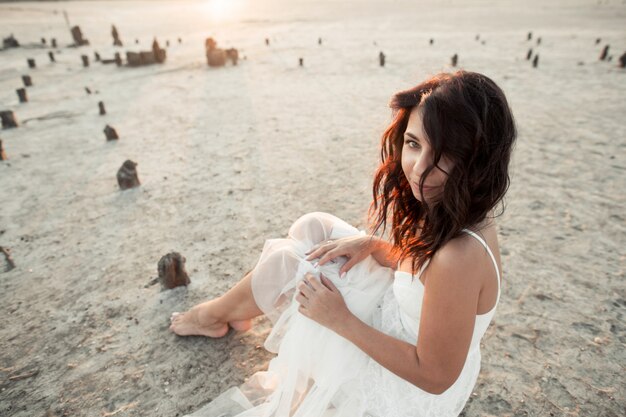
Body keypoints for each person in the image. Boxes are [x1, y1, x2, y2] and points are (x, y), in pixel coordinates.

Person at [170, 70, 517, 417]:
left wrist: (340, 320)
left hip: (404, 387)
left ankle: (213, 315)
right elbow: (427, 278)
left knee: (295, 265)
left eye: (444, 153)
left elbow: (435, 375)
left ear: (478, 157)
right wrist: (375, 246)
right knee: (314, 227)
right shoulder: (459, 208)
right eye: (413, 143)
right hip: (402, 322)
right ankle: (224, 312)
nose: (418, 167)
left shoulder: (459, 256)